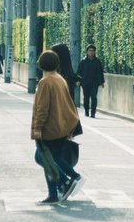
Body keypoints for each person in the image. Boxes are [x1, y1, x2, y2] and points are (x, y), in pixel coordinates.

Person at [31, 49, 82, 204]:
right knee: (53, 158)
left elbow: (42, 108)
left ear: (41, 64)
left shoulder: (45, 82)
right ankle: (62, 185)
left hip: (49, 129)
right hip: (61, 127)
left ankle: (67, 181)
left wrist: (37, 128)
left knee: (43, 157)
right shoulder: (59, 79)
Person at [76, 44, 105, 118]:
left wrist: (102, 82)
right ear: (87, 51)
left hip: (94, 83)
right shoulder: (83, 61)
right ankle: (86, 111)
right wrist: (78, 81)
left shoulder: (97, 62)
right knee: (86, 97)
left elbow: (100, 72)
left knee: (94, 97)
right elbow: (79, 72)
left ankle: (93, 113)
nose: (91, 52)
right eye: (89, 51)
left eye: (93, 51)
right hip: (85, 83)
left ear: (95, 52)